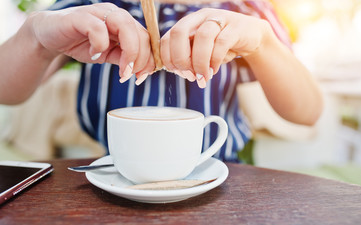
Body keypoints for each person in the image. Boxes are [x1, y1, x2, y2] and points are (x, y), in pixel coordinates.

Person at [0, 0, 323, 162]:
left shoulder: (244, 10)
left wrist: (263, 43)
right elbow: (6, 92)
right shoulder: (87, 10)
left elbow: (306, 112)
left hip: (223, 174)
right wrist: (35, 37)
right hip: (114, 171)